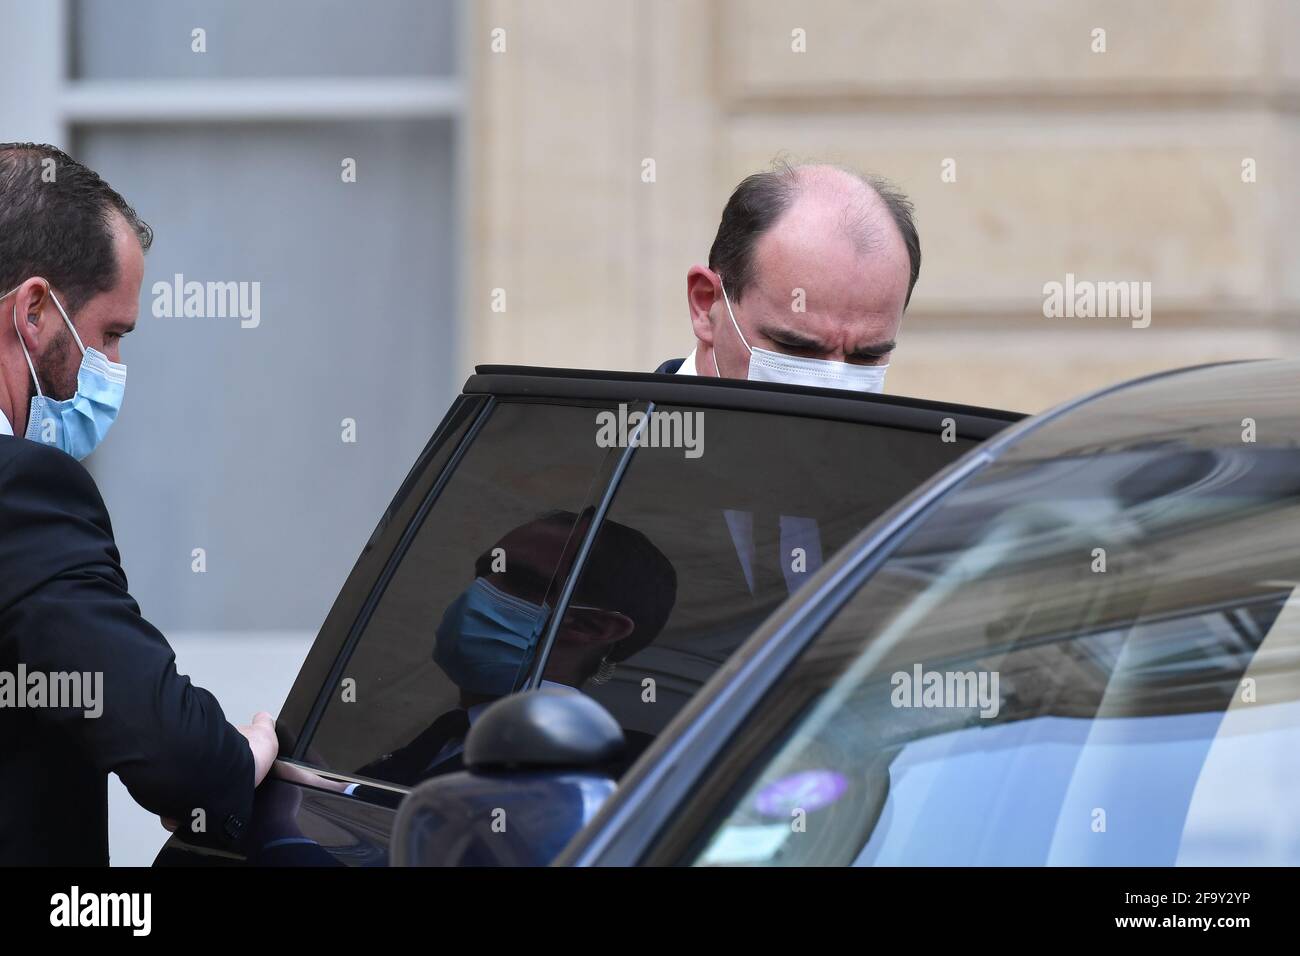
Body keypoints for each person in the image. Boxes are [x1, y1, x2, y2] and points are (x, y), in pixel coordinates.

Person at [0, 143, 278, 865]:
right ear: (34, 310)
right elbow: (169, 746)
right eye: (111, 335)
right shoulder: (20, 490)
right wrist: (233, 763)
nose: (115, 369)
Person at [656, 161, 920, 392]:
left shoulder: (929, 450)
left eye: (866, 355)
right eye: (793, 346)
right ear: (705, 305)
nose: (833, 384)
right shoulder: (628, 442)